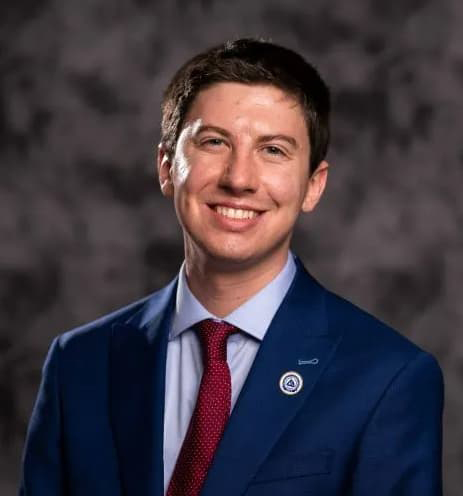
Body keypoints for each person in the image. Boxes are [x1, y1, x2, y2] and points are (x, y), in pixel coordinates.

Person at [20, 38, 444, 496]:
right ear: (167, 166)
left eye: (274, 150)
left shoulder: (388, 378)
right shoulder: (78, 365)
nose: (238, 179)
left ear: (313, 186)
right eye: (214, 142)